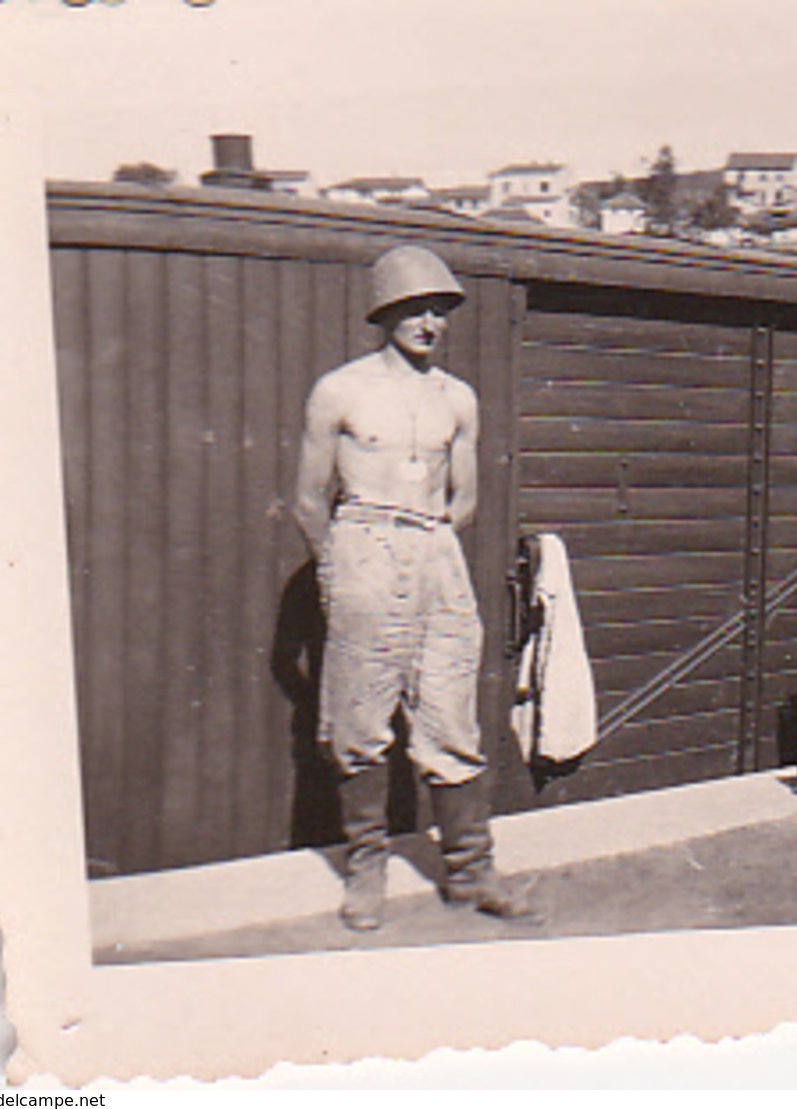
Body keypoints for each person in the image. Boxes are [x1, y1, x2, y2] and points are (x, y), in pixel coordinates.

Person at [294, 244, 527, 931]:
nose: (430, 321)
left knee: (451, 719)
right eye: (414, 308)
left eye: (440, 310)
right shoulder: (341, 389)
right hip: (362, 545)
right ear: (384, 312)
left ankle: (470, 870)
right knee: (360, 725)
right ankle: (366, 870)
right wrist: (338, 569)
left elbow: (466, 498)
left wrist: (427, 542)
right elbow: (309, 499)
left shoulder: (458, 398)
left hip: (434, 552)